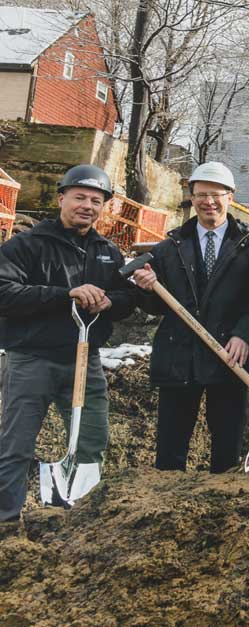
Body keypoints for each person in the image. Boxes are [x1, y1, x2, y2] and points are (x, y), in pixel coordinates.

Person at [0, 165, 137, 522]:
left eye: (96, 200)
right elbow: (4, 292)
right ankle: (5, 519)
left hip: (84, 360)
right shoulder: (28, 245)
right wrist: (65, 295)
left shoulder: (107, 251)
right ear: (62, 198)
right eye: (80, 197)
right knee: (16, 444)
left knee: (92, 438)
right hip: (32, 358)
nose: (87, 206)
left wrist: (112, 303)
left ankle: (82, 518)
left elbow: (125, 299)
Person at [130, 162, 249, 473]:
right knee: (170, 451)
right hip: (180, 356)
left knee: (226, 451)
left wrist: (245, 333)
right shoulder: (170, 248)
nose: (208, 202)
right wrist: (147, 289)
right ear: (191, 198)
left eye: (215, 194)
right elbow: (156, 307)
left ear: (230, 197)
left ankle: (220, 508)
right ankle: (164, 509)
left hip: (230, 357)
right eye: (200, 195)